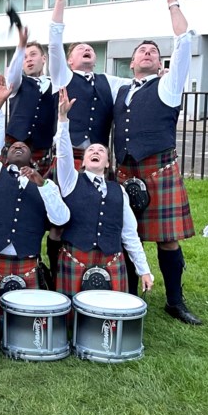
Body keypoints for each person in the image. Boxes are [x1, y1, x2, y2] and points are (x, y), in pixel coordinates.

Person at [113, 0, 202, 325]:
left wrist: (173, 4)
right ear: (132, 62)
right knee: (123, 235)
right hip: (124, 172)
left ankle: (175, 301)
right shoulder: (118, 89)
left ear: (160, 61)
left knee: (167, 240)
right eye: (142, 51)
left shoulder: (168, 86)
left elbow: (185, 42)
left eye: (153, 50)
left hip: (159, 171)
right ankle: (129, 296)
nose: (148, 53)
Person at [45, 0, 133, 278]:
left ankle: (108, 271)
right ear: (69, 62)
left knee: (99, 216)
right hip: (70, 158)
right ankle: (59, 274)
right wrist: (59, 1)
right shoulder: (63, 78)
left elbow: (143, 88)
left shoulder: (111, 81)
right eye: (79, 48)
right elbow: (54, 43)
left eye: (89, 48)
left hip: (97, 160)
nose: (86, 50)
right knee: (61, 223)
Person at [0, 75, 70, 293]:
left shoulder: (46, 185)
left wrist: (42, 185)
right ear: (5, 155)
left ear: (31, 158)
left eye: (23, 147)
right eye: (13, 146)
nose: (18, 146)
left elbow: (61, 219)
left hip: (28, 263)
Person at [54, 87, 153, 299]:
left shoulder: (119, 191)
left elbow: (129, 233)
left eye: (101, 151)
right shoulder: (71, 181)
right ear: (82, 162)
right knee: (73, 320)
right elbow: (63, 154)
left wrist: (143, 269)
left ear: (108, 163)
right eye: (91, 151)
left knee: (110, 315)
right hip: (76, 258)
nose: (96, 152)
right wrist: (63, 119)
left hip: (111, 260)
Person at [4, 25, 57, 178]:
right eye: (25, 57)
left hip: (43, 145)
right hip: (16, 144)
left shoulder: (55, 84)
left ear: (44, 58)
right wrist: (20, 46)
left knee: (40, 189)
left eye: (33, 54)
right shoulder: (18, 83)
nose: (28, 60)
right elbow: (12, 75)